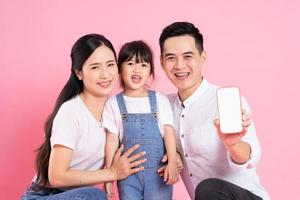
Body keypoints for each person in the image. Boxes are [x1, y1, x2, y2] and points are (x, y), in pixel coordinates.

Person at [21, 34, 146, 200]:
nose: (105, 74)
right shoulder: (71, 111)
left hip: (78, 196)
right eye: (95, 67)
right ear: (79, 73)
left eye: (110, 65)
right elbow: (57, 176)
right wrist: (111, 173)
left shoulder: (115, 109)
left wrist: (174, 157)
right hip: (45, 196)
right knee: (93, 195)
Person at [159, 22, 270, 200]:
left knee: (208, 187)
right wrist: (176, 155)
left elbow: (250, 157)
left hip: (244, 196)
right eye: (171, 58)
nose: (179, 65)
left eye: (188, 56)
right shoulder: (163, 106)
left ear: (203, 57)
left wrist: (233, 145)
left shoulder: (224, 101)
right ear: (162, 62)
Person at [103, 40, 179, 200]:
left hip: (159, 175)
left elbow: (168, 132)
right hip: (128, 176)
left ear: (151, 70)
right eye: (130, 63)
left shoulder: (160, 100)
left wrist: (172, 161)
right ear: (119, 68)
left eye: (143, 65)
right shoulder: (113, 104)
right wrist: (109, 174)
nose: (137, 69)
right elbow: (111, 140)